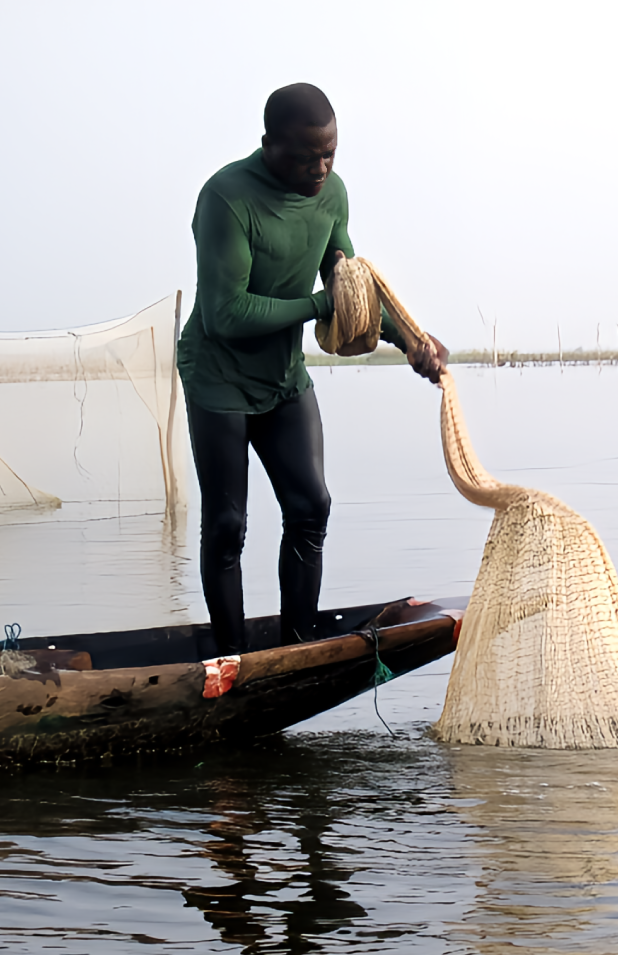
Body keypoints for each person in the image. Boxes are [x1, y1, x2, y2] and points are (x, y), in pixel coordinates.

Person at [177, 83, 447, 655]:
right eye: (304, 156)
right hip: (218, 378)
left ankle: (296, 650)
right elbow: (226, 314)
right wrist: (317, 307)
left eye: (329, 154)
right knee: (227, 527)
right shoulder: (227, 198)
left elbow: (350, 288)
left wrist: (412, 343)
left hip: (282, 378)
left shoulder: (332, 196)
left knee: (311, 506)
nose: (319, 167)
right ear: (269, 145)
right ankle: (232, 661)